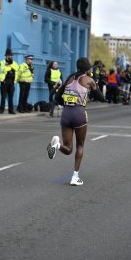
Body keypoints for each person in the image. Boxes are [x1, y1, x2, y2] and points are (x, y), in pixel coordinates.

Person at [46, 57, 105, 186]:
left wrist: (67, 102)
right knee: (80, 146)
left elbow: (58, 96)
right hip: (79, 114)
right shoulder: (89, 80)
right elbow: (101, 97)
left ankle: (56, 145)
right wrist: (94, 86)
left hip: (66, 113)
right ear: (88, 69)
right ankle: (75, 177)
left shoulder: (69, 78)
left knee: (67, 149)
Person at [0, 48, 19, 114]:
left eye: (11, 55)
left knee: (11, 97)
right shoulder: (2, 62)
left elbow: (17, 68)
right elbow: (3, 69)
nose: (11, 56)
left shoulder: (14, 63)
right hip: (5, 81)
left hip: (11, 81)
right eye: (10, 55)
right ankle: (2, 110)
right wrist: (10, 67)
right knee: (3, 96)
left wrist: (11, 64)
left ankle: (11, 110)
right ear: (7, 56)